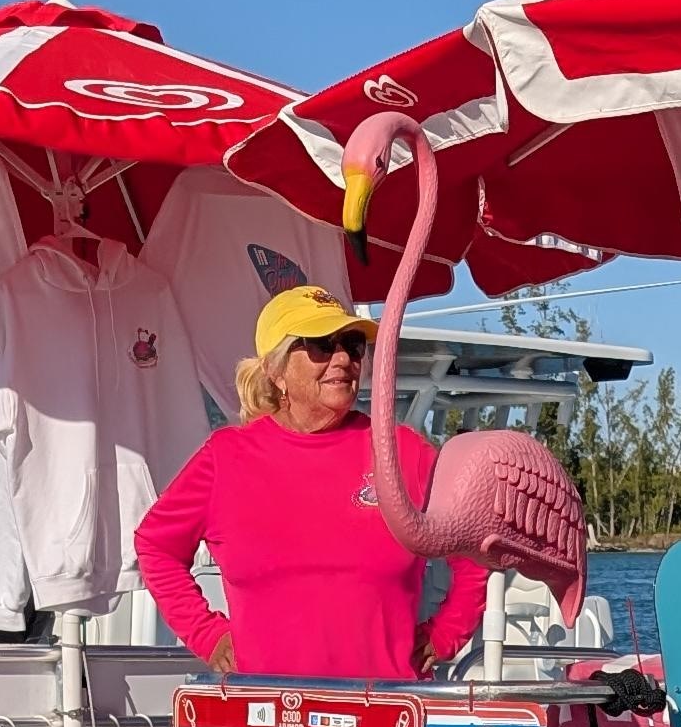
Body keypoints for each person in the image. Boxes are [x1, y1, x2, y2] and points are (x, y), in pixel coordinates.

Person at [135, 285, 490, 684]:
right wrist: (206, 634)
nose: (343, 359)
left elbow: (475, 546)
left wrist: (446, 634)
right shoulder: (226, 457)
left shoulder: (403, 451)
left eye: (352, 345)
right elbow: (155, 545)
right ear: (277, 370)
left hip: (387, 717)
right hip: (266, 717)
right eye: (321, 344)